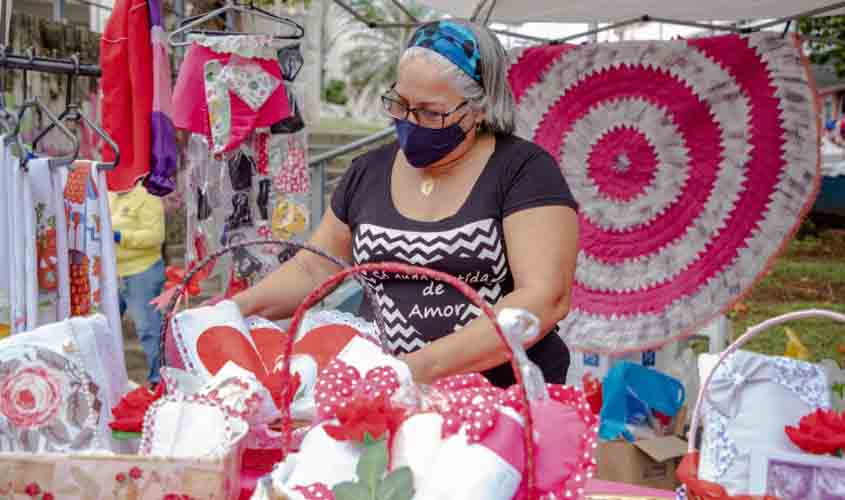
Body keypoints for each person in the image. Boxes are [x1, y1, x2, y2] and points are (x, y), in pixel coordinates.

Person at [234, 19, 579, 388]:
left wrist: (414, 370)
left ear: (480, 108)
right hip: (383, 398)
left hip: (501, 403)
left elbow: (544, 297)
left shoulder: (523, 171)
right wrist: (236, 309)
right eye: (400, 104)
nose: (410, 122)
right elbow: (314, 269)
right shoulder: (368, 171)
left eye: (431, 112)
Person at [109, 180, 166, 387]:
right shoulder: (107, 194)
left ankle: (160, 381)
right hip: (112, 274)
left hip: (142, 271)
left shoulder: (148, 196)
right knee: (103, 327)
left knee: (148, 329)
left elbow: (156, 235)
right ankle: (107, 379)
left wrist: (121, 236)